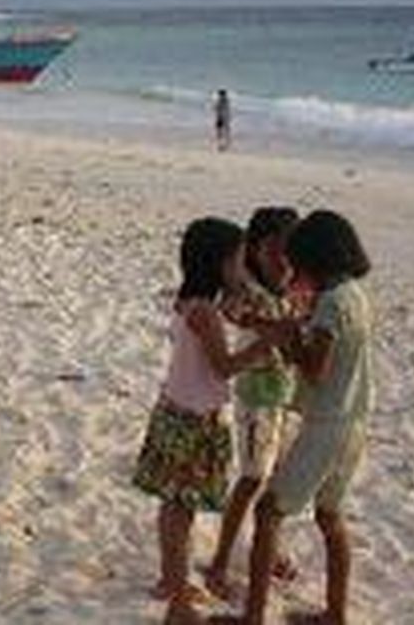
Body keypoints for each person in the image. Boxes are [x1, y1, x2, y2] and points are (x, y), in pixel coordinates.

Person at [212, 210, 373, 625]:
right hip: (355, 422)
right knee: (330, 516)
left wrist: (285, 341)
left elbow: (314, 369)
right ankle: (335, 614)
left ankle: (253, 617)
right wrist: (279, 329)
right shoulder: (355, 294)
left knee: (268, 512)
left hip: (326, 425)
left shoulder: (329, 304)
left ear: (315, 258)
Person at [133, 218, 283, 624]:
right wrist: (266, 344)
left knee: (172, 507)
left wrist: (245, 308)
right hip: (196, 420)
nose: (243, 270)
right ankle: (178, 605)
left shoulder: (190, 302)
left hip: (175, 409)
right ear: (218, 264)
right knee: (181, 512)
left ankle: (173, 583)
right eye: (238, 261)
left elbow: (211, 340)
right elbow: (224, 367)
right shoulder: (206, 313)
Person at [204, 207, 302, 600]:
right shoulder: (247, 292)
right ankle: (219, 560)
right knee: (250, 480)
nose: (282, 260)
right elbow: (231, 311)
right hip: (255, 398)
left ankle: (270, 548)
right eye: (272, 251)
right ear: (255, 252)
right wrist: (269, 326)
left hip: (286, 399)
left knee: (277, 480)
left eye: (288, 252)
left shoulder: (294, 291)